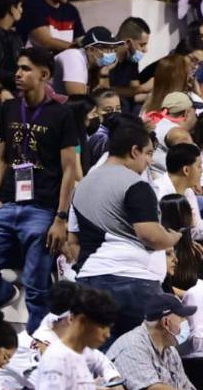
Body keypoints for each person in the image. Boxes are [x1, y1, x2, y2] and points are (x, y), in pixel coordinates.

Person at [0, 48, 80, 332]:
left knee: (36, 288)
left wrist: (61, 218)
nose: (18, 74)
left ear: (44, 75)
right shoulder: (9, 108)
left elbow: (70, 170)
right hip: (8, 203)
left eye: (25, 69)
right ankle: (5, 295)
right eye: (18, 68)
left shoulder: (61, 114)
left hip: (42, 209)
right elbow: (3, 159)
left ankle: (37, 343)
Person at [73, 118, 181, 340]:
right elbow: (150, 235)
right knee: (136, 353)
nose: (149, 161)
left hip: (88, 279)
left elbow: (72, 240)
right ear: (134, 151)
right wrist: (172, 238)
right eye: (148, 153)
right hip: (132, 282)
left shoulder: (83, 184)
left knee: (96, 353)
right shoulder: (135, 184)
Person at [105, 293, 203, 390]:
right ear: (166, 322)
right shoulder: (133, 345)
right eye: (182, 318)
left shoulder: (170, 350)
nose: (186, 323)